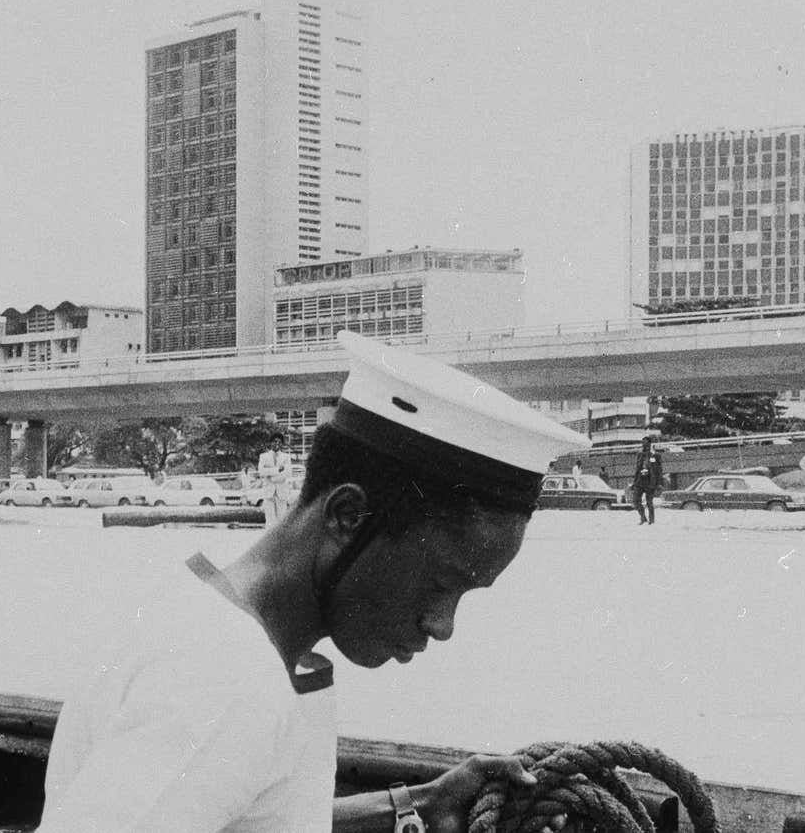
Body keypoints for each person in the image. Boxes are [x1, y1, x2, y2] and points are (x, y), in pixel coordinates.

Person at [38, 330, 586, 832]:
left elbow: (239, 813)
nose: (441, 625)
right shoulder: (225, 681)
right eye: (441, 583)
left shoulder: (218, 625)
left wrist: (417, 807)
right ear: (347, 515)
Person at [256, 434, 295, 525]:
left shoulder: (286, 457)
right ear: (270, 443)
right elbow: (261, 472)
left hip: (281, 492)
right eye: (274, 441)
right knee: (270, 520)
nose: (277, 444)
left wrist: (272, 477)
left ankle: (281, 539)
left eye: (279, 442)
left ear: (282, 444)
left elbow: (287, 473)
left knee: (282, 520)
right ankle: (270, 539)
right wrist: (277, 470)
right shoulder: (263, 456)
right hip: (268, 492)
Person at [630, 435, 664, 525]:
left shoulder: (655, 455)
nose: (644, 445)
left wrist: (659, 483)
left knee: (649, 502)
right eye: (643, 443)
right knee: (636, 501)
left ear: (650, 444)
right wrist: (634, 482)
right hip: (640, 481)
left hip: (650, 481)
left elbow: (659, 470)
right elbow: (637, 469)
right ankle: (643, 517)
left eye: (646, 443)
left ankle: (651, 520)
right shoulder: (640, 455)